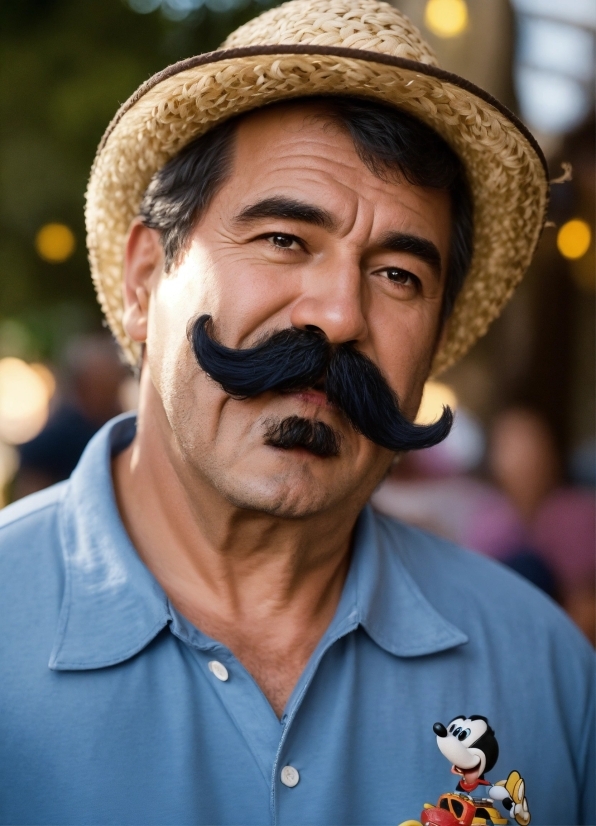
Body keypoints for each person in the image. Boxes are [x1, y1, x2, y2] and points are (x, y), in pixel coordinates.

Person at [0, 2, 593, 824]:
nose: (339, 315)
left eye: (397, 275)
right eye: (283, 238)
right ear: (144, 283)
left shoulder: (546, 672)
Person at [14, 334, 128, 498]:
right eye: (106, 382)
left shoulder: (121, 430)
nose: (112, 391)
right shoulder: (52, 440)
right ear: (83, 383)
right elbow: (30, 498)